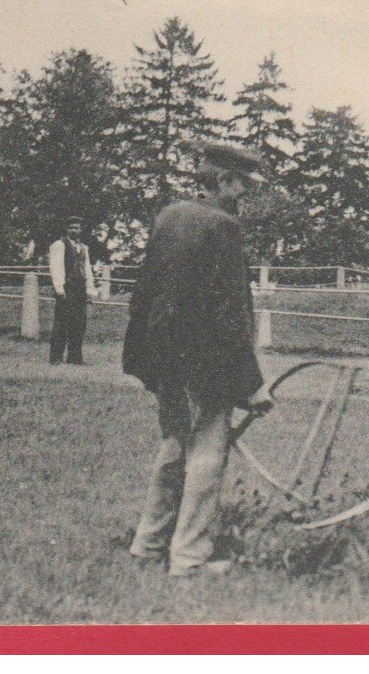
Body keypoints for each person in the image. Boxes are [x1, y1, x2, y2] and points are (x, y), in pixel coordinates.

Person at [122, 143, 273, 578]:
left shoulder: (169, 217)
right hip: (204, 363)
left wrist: (143, 359)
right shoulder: (223, 227)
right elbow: (230, 315)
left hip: (163, 358)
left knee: (173, 447)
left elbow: (144, 293)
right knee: (207, 454)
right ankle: (189, 558)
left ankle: (147, 545)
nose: (244, 196)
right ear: (224, 180)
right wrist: (251, 384)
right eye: (243, 186)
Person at [47, 216, 96, 365]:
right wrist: (59, 288)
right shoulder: (59, 245)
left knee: (79, 323)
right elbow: (56, 267)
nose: (75, 230)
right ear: (67, 229)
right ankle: (56, 358)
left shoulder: (83, 248)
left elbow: (87, 269)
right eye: (72, 227)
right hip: (67, 288)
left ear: (81, 230)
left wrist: (90, 289)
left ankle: (75, 358)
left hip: (80, 288)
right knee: (62, 323)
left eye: (77, 227)